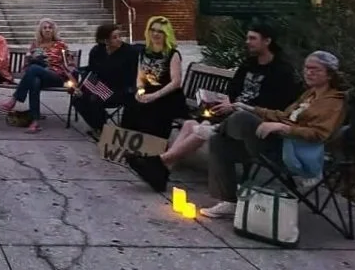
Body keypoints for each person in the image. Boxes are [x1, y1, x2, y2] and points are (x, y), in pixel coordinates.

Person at [126, 22, 301, 192]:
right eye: (248, 38)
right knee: (188, 125)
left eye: (253, 38)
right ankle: (162, 171)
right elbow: (233, 90)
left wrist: (236, 106)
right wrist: (222, 101)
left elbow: (276, 104)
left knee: (201, 129)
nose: (247, 42)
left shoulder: (281, 71)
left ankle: (159, 162)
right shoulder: (249, 64)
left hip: (252, 121)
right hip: (232, 112)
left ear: (267, 41)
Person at [200, 50, 347, 219]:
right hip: (279, 144)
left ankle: (216, 127)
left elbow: (320, 134)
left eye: (315, 69)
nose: (309, 72)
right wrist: (252, 108)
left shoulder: (334, 101)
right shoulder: (310, 94)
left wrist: (283, 128)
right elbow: (284, 116)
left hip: (293, 154)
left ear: (329, 74)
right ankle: (229, 201)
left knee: (242, 119)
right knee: (219, 142)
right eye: (307, 68)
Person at [0, 18, 70, 133]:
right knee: (34, 81)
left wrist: (51, 65)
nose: (47, 30)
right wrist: (33, 59)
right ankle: (35, 122)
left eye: (50, 28)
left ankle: (14, 100)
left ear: (54, 30)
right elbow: (27, 64)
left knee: (34, 69)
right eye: (44, 28)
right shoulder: (36, 44)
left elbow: (69, 64)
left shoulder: (61, 45)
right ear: (40, 30)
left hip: (56, 76)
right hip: (38, 76)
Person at [120, 16, 189, 140]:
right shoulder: (144, 51)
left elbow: (176, 82)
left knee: (151, 110)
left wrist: (154, 96)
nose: (156, 34)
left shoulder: (173, 54)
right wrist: (139, 91)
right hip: (149, 91)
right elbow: (140, 76)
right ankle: (128, 147)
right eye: (153, 30)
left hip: (168, 95)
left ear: (166, 34)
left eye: (160, 31)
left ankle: (151, 147)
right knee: (131, 105)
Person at [72, 23, 139, 139]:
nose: (119, 40)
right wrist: (81, 84)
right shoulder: (97, 51)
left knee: (95, 99)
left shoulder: (129, 52)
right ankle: (98, 126)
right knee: (77, 98)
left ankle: (103, 131)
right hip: (99, 85)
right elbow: (92, 70)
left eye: (119, 36)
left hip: (121, 88)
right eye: (114, 37)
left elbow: (133, 75)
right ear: (105, 40)